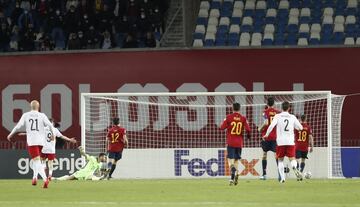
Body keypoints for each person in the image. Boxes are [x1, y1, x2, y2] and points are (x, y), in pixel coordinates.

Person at [7, 100, 55, 188]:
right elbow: (51, 125)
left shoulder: (26, 115)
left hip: (32, 141)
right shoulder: (42, 115)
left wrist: (10, 134)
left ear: (30, 106)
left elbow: (18, 126)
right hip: (41, 142)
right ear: (38, 107)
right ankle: (34, 178)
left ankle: (45, 180)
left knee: (36, 161)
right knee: (36, 160)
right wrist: (52, 135)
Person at [263, 101, 303, 183]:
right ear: (289, 108)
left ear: (282, 108)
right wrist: (296, 127)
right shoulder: (292, 117)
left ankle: (283, 178)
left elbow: (271, 126)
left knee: (280, 160)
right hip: (290, 141)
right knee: (292, 159)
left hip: (280, 142)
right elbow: (300, 127)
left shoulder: (277, 116)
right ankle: (294, 168)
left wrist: (266, 134)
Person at [220, 102, 251, 186]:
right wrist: (248, 136)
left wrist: (225, 121)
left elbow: (222, 128)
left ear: (232, 108)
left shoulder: (229, 117)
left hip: (231, 142)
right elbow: (248, 129)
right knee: (236, 160)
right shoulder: (243, 118)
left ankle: (233, 170)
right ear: (239, 108)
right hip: (239, 143)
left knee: (230, 160)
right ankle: (234, 176)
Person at [258, 97, 280, 180]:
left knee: (264, 155)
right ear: (274, 104)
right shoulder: (278, 113)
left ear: (267, 104)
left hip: (266, 137)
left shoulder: (265, 112)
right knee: (276, 155)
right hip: (275, 137)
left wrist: (260, 128)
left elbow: (266, 123)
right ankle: (280, 174)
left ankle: (264, 175)